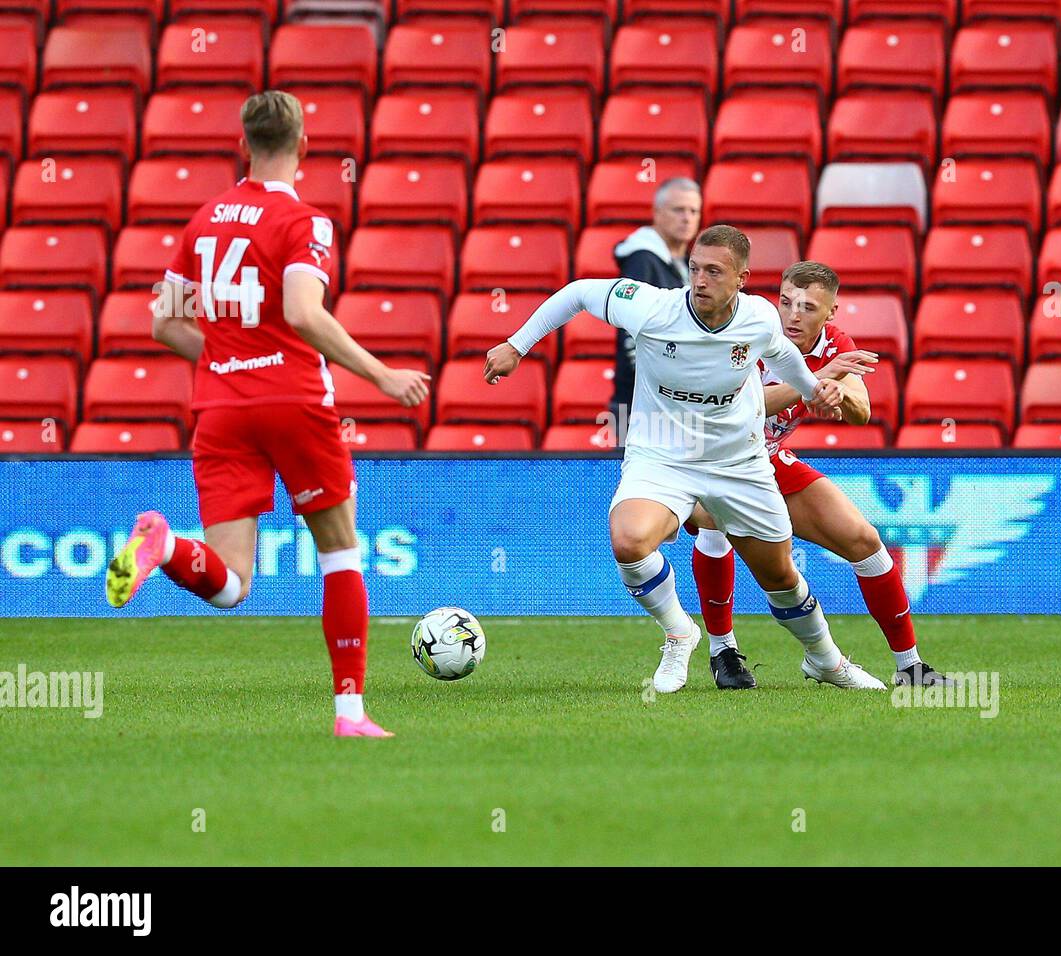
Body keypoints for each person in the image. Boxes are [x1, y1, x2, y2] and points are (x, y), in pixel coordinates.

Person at [103, 91, 431, 737]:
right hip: (294, 402)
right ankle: (349, 714)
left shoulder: (202, 222)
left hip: (221, 409)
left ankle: (164, 544)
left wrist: (228, 356)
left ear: (244, 144)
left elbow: (164, 322)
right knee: (339, 555)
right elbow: (305, 313)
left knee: (230, 586)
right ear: (304, 145)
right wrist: (383, 374)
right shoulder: (305, 222)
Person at [484, 226, 888, 692]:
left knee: (779, 576)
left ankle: (827, 661)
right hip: (661, 456)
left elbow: (780, 356)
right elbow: (578, 293)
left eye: (714, 271)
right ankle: (680, 632)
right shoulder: (653, 307)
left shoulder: (758, 317)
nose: (700, 280)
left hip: (738, 462)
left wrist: (817, 389)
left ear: (741, 278)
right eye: (695, 268)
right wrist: (517, 345)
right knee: (629, 541)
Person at [688, 262, 953, 690]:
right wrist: (814, 382)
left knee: (865, 542)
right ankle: (724, 652)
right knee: (717, 523)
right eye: (787, 302)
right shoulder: (748, 330)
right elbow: (743, 410)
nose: (793, 315)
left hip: (766, 459)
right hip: (705, 459)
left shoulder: (835, 346)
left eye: (808, 307)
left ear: (831, 313)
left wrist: (837, 394)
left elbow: (862, 412)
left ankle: (911, 668)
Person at [609, 178, 702, 430]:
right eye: (678, 209)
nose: (687, 218)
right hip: (640, 405)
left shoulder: (685, 264)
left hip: (675, 401)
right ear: (657, 213)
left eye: (693, 211)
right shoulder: (642, 261)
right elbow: (630, 333)